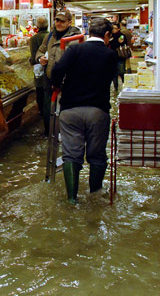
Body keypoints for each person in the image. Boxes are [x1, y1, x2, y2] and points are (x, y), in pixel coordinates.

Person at [50, 18, 117, 204]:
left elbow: (57, 70)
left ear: (89, 32)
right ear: (106, 35)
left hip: (70, 110)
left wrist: (59, 85)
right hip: (98, 110)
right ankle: (95, 195)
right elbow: (110, 80)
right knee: (97, 155)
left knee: (71, 154)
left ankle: (72, 199)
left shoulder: (74, 49)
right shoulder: (109, 55)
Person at [35, 10, 81, 136]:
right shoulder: (50, 36)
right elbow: (40, 51)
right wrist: (40, 58)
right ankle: (50, 133)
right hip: (50, 79)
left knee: (66, 110)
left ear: (69, 22)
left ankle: (65, 134)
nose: (59, 23)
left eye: (62, 21)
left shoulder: (76, 38)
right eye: (57, 20)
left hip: (68, 81)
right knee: (47, 108)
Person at [29, 16, 49, 122]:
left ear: (37, 26)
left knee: (40, 92)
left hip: (39, 70)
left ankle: (42, 112)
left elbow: (33, 58)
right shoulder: (51, 36)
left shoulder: (34, 39)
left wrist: (30, 61)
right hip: (49, 70)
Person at [109, 22, 127, 90]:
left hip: (120, 56)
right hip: (112, 57)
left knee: (121, 72)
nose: (113, 30)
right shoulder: (110, 36)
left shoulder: (121, 35)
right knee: (114, 73)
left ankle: (124, 85)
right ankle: (115, 87)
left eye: (115, 28)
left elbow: (122, 43)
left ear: (119, 29)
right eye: (112, 28)